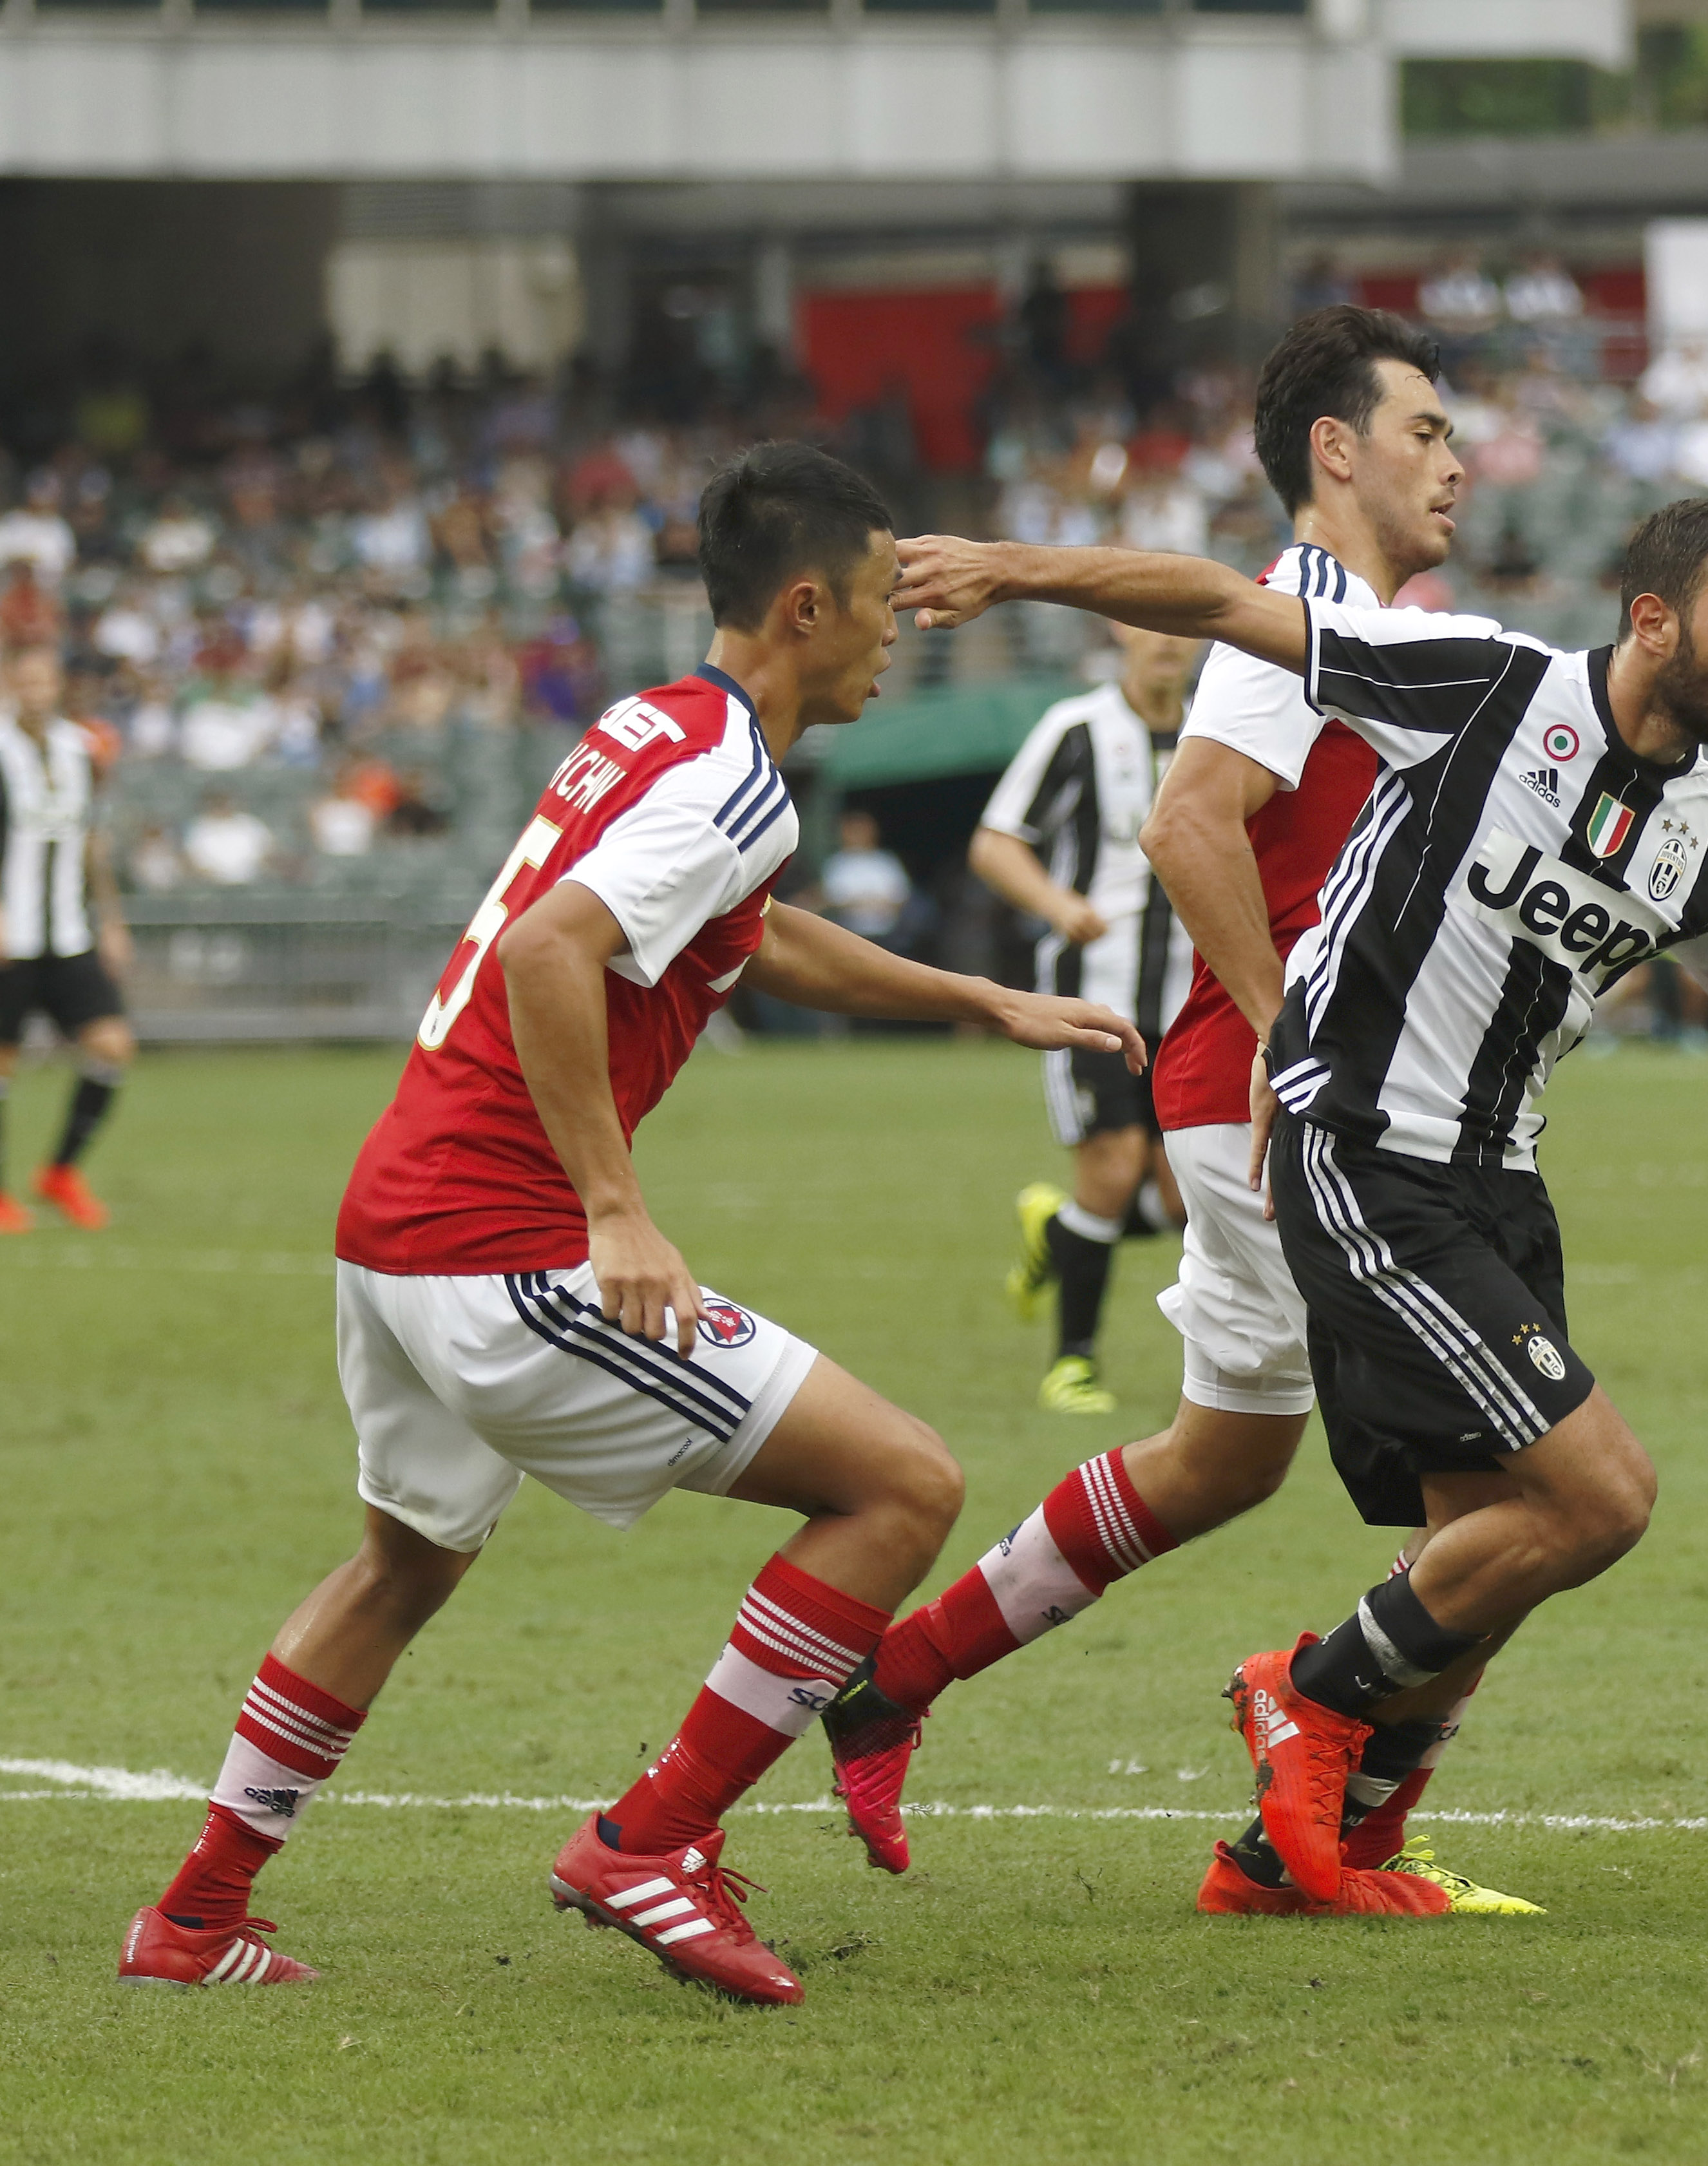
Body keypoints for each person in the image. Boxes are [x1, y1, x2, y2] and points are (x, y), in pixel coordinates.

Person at [889, 495, 1708, 1912]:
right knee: (1597, 1498)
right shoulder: (1487, 686)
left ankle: (1294, 1860)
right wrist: (1010, 565)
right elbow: (1216, 599)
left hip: (1498, 1183)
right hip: (1359, 1152)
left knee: (1486, 1552)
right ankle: (1302, 1693)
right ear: (1653, 621)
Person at [115, 443, 1148, 2001]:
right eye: (880, 602)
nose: (895, 632)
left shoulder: (661, 728)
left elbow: (743, 924)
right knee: (900, 1485)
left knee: (400, 1568)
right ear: (805, 604)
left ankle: (193, 1919)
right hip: (503, 1248)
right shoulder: (729, 772)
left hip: (389, 1231)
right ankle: (653, 1838)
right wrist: (618, 1208)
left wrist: (974, 998)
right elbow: (553, 950)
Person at [821, 307, 1533, 1916]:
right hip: (1274, 1109)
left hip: (1233, 1104)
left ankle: (896, 1676)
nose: (1457, 458)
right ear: (1335, 452)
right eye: (1426, 429)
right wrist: (1306, 1053)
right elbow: (1186, 822)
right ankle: (1334, 1826)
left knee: (1217, 1460)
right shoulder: (1305, 609)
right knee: (1512, 1499)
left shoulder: (1360, 620)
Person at [968, 627, 1203, 1415]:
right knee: (1111, 1167)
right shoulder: (1077, 728)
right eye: (1152, 628)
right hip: (1092, 998)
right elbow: (997, 842)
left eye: (1184, 630)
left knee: (1185, 1198)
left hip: (1194, 1004)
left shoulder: (1220, 729)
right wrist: (1056, 903)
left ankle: (1057, 1234)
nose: (1168, 644)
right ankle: (1072, 1364)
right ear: (1121, 635)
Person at [0, 646, 135, 1232]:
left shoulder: (79, 748)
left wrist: (110, 918)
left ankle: (60, 1171)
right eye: (26, 677)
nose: (36, 687)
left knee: (112, 1045)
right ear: (13, 682)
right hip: (12, 933)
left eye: (45, 677)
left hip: (69, 932)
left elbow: (89, 841)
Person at [817, 808, 915, 949]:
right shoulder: (837, 864)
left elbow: (900, 898)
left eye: (862, 830)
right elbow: (832, 899)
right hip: (849, 936)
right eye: (853, 830)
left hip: (889, 937)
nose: (857, 835)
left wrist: (865, 903)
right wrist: (867, 903)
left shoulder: (886, 862)